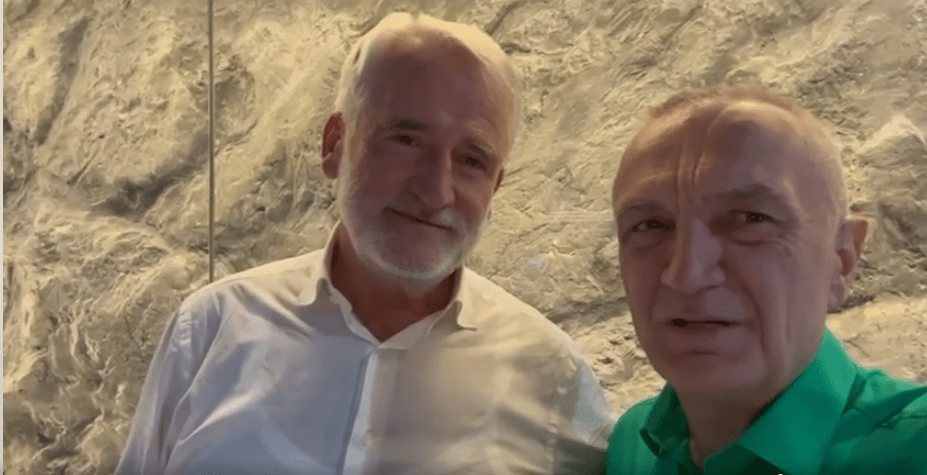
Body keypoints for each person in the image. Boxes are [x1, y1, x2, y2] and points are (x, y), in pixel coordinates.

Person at [114, 12, 614, 475]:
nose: (436, 191)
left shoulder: (554, 378)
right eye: (406, 140)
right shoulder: (209, 332)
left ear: (496, 185)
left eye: (472, 160)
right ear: (334, 143)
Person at [605, 86, 927, 474]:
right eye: (649, 225)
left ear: (842, 262)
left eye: (750, 219)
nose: (686, 275)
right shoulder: (632, 446)